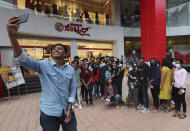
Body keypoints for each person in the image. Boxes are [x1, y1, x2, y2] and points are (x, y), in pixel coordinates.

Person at [6, 16, 77, 131]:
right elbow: (23, 59)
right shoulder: (44, 65)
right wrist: (12, 36)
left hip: (67, 111)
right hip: (49, 113)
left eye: (59, 49)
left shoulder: (70, 69)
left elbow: (72, 90)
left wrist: (69, 108)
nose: (55, 50)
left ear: (65, 54)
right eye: (54, 49)